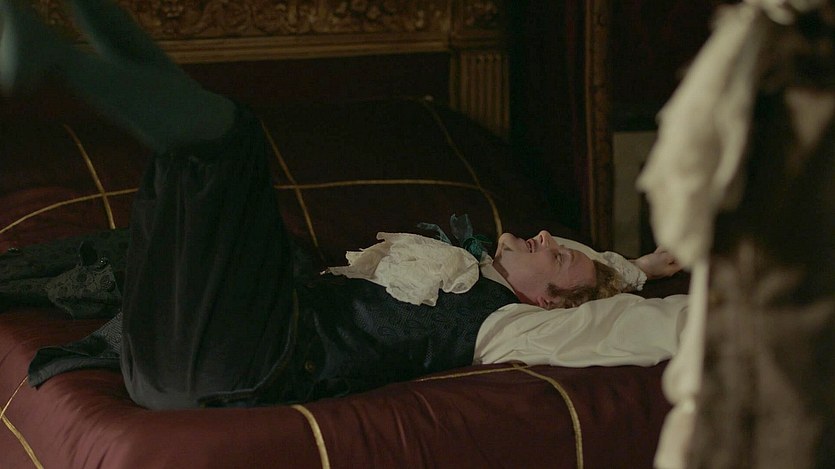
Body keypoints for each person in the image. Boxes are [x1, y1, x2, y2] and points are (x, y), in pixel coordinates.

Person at [0, 0, 681, 409]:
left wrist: (710, 299)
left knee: (232, 138)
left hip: (243, 366)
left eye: (557, 256)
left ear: (546, 303)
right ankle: (69, 28)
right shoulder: (480, 270)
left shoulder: (507, 327)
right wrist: (642, 263)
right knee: (183, 162)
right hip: (160, 356)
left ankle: (56, 62)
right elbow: (596, 276)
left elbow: (628, 326)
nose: (546, 237)